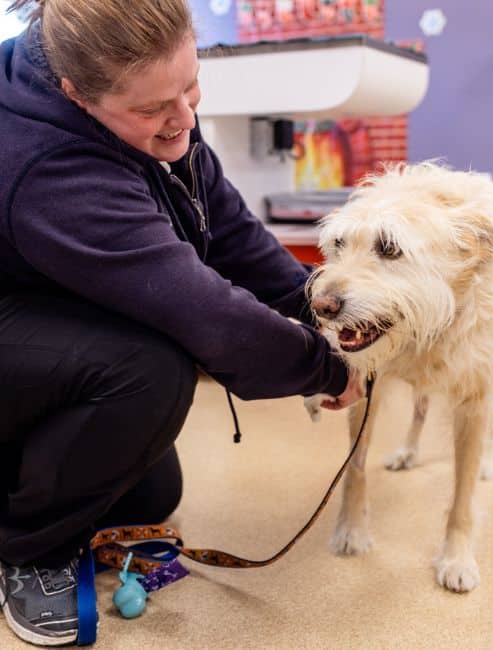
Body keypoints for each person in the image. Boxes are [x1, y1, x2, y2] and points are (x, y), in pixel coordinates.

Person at [0, 0, 362, 645]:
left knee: (146, 495)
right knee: (149, 372)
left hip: (32, 312)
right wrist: (325, 367)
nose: (185, 117)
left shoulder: (155, 114)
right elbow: (208, 317)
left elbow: (232, 237)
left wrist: (326, 312)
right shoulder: (46, 166)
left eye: (190, 84)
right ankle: (25, 552)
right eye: (151, 110)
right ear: (74, 94)